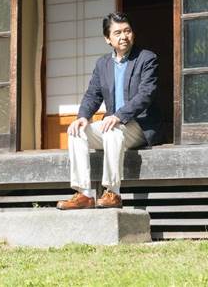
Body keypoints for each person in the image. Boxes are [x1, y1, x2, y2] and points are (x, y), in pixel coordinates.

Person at [56, 11, 161, 210]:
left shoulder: (147, 58)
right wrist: (83, 117)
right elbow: (93, 94)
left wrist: (119, 116)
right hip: (115, 126)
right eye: (117, 33)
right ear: (108, 39)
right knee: (76, 132)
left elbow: (146, 94)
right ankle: (84, 194)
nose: (124, 36)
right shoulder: (103, 64)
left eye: (127, 31)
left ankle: (113, 193)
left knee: (111, 131)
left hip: (139, 125)